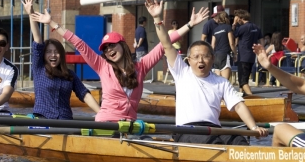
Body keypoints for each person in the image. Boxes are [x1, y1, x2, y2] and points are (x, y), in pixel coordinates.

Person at [32, 7, 206, 122]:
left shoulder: (141, 66)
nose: (109, 51)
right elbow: (79, 44)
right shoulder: (102, 66)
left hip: (130, 125)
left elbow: (165, 44)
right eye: (105, 49)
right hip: (107, 125)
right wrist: (52, 23)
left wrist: (190, 24)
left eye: (112, 46)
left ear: (122, 45)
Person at [146, 0, 268, 144]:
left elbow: (239, 105)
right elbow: (166, 44)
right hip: (187, 130)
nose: (200, 60)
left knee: (240, 142)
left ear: (213, 59)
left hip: (214, 129)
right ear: (188, 60)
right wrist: (158, 19)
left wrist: (254, 127)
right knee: (212, 143)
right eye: (196, 57)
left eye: (205, 56)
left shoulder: (221, 82)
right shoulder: (182, 72)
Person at [22, 0, 99, 119]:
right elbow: (37, 39)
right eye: (49, 52)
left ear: (61, 55)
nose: (53, 55)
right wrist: (31, 14)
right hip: (42, 120)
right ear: (43, 55)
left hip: (65, 121)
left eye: (56, 52)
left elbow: (84, 94)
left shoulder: (69, 75)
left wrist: (101, 113)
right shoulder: (39, 68)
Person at [233, 10, 261, 95]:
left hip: (243, 56)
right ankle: (241, 93)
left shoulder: (242, 28)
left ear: (241, 18)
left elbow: (232, 35)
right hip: (252, 56)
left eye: (237, 18)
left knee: (242, 81)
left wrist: (234, 24)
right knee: (245, 77)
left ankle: (251, 96)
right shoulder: (256, 27)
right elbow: (261, 40)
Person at [210, 10, 235, 81]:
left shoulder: (215, 30)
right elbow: (232, 43)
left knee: (218, 81)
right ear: (226, 18)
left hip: (216, 56)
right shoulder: (228, 27)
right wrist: (235, 53)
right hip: (224, 54)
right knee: (225, 81)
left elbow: (212, 45)